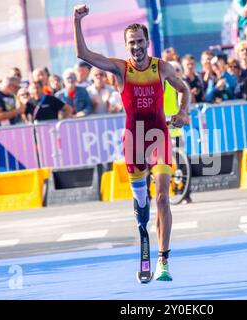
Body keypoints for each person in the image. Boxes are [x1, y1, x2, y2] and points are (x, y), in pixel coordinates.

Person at [74, 4, 190, 282]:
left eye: (140, 41)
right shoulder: (119, 68)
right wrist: (76, 22)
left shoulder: (161, 67)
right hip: (134, 141)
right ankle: (142, 223)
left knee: (162, 196)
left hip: (159, 136)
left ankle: (163, 260)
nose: (136, 47)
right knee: (143, 202)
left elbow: (184, 89)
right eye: (131, 43)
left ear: (148, 42)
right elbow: (83, 54)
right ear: (126, 46)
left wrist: (183, 112)